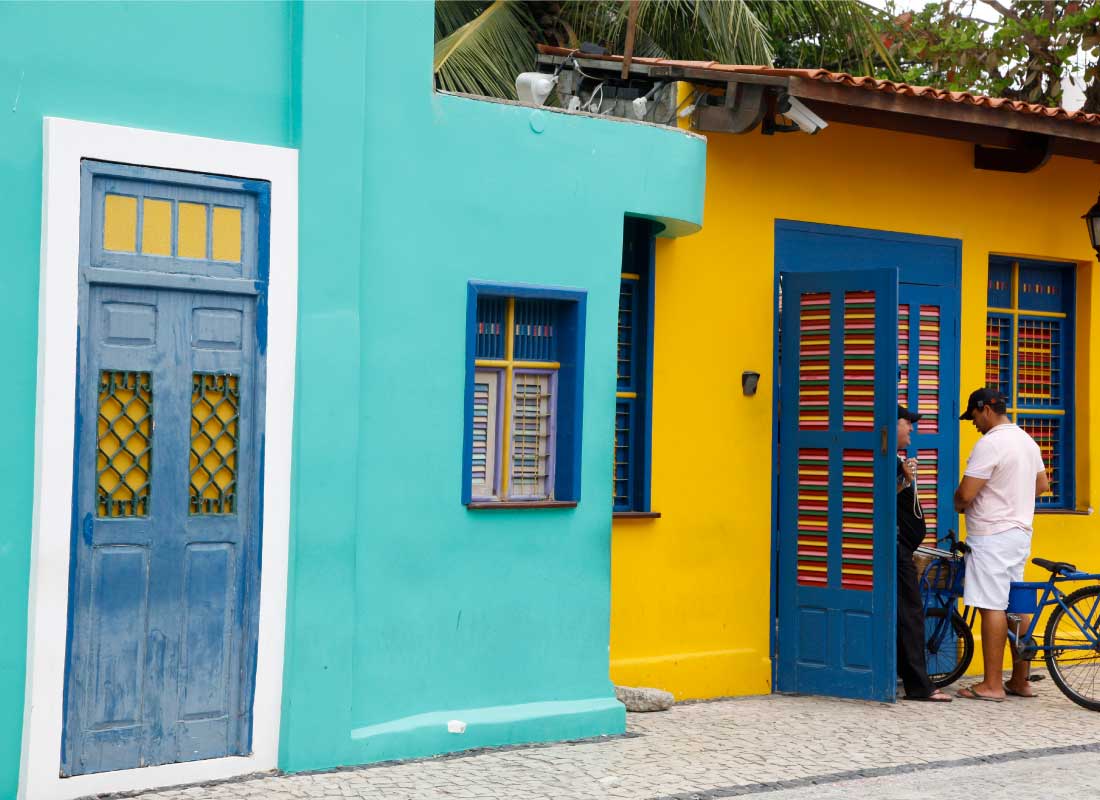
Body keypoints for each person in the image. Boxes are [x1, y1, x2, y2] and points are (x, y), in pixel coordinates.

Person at [953, 387, 1049, 702]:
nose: (975, 424)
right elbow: (1042, 486)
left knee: (991, 604)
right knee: (1016, 605)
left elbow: (966, 494)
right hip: (1020, 533)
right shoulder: (1027, 441)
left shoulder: (990, 444)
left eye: (975, 417)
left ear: (985, 409)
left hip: (991, 535)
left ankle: (992, 685)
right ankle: (1020, 681)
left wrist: (959, 503)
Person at [895, 405, 952, 702]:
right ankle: (918, 684)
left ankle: (910, 678)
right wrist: (903, 478)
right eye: (908, 423)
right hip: (896, 548)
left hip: (903, 547)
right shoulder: (885, 461)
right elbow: (877, 496)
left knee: (906, 613)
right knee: (910, 613)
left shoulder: (895, 460)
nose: (912, 430)